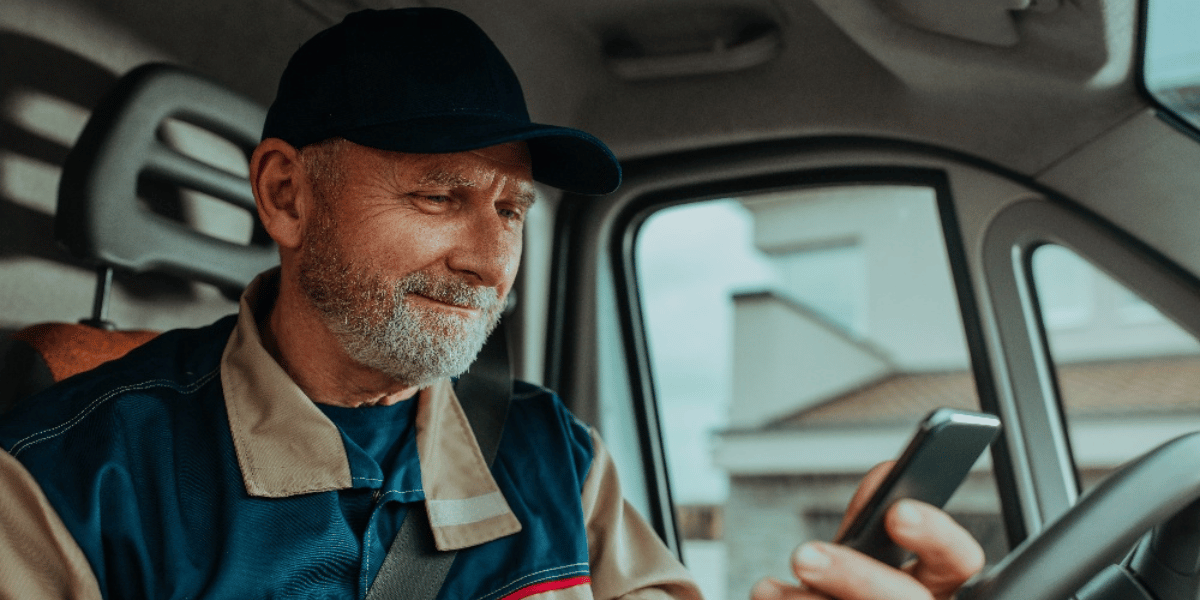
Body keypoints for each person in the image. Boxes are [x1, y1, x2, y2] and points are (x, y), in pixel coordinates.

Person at [0, 7, 984, 600]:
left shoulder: (551, 453)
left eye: (512, 209)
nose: (486, 259)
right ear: (287, 196)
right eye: (440, 195)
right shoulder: (68, 481)